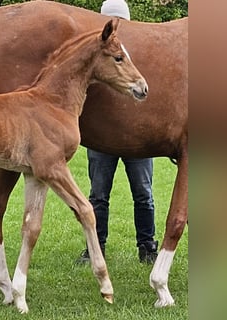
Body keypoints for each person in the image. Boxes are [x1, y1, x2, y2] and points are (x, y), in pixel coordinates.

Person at [77, 0, 158, 264]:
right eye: (111, 22)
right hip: (102, 137)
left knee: (143, 194)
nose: (116, 27)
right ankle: (94, 247)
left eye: (119, 22)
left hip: (137, 136)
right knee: (98, 195)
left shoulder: (142, 52)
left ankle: (147, 246)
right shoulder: (95, 53)